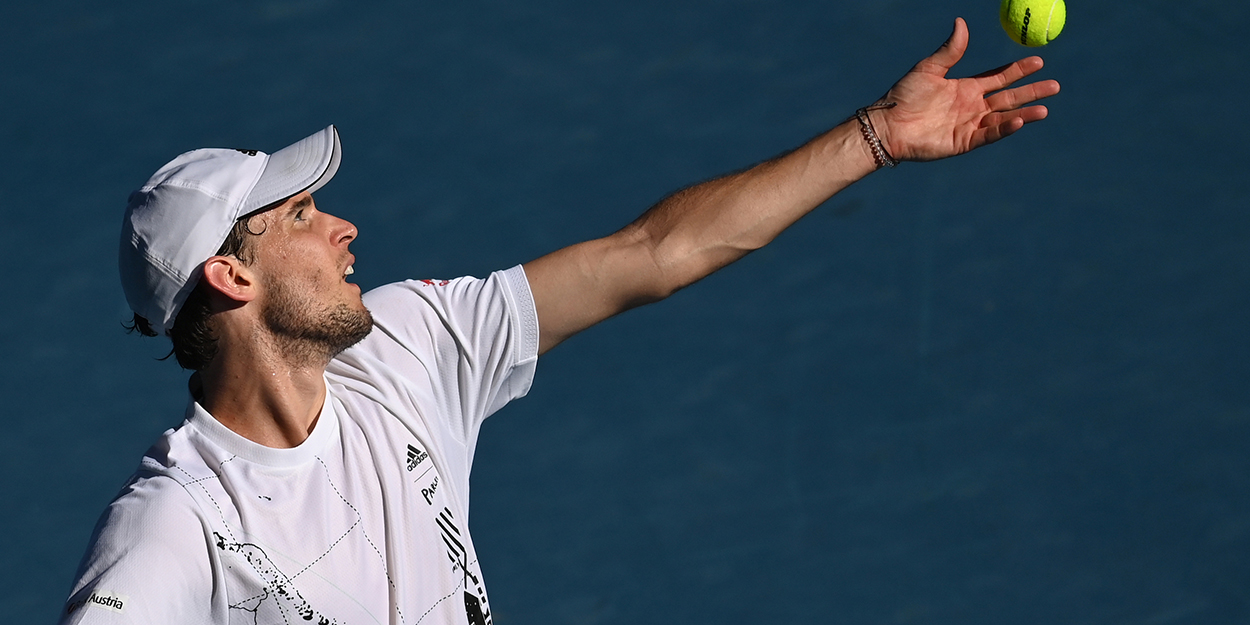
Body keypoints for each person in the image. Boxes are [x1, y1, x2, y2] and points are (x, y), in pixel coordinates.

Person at [61, 18, 1059, 625]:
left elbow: (652, 255)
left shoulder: (406, 348)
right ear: (230, 277)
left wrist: (875, 136)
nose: (343, 227)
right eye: (301, 217)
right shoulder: (177, 522)